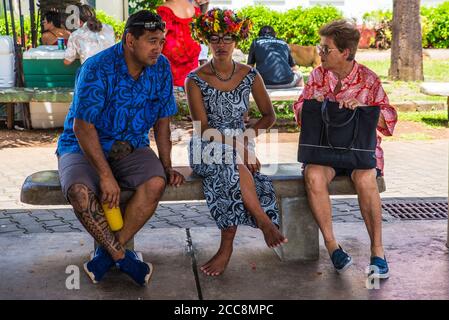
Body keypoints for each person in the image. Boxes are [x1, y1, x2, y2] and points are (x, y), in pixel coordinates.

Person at [56, 10, 185, 286]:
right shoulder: (97, 68)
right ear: (129, 40)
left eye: (161, 41)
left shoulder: (161, 67)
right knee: (79, 192)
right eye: (152, 41)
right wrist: (105, 175)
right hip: (83, 146)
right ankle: (123, 258)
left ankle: (108, 254)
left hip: (131, 145)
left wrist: (166, 165)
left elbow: (163, 120)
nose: (158, 49)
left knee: (155, 183)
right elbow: (83, 127)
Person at [293, 19, 397, 279]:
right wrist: (310, 105)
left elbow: (389, 117)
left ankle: (378, 251)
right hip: (324, 151)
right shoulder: (318, 76)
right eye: (321, 47)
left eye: (326, 49)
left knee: (365, 177)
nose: (320, 53)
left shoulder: (368, 79)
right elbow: (298, 111)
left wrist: (364, 110)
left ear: (345, 52)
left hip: (358, 151)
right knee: (313, 175)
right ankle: (332, 247)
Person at [187, 8, 288, 277]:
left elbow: (269, 116)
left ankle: (227, 246)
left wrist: (246, 140)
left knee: (229, 169)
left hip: (239, 143)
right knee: (230, 160)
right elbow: (203, 128)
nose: (221, 44)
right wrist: (240, 147)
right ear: (207, 39)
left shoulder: (250, 75)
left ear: (237, 40)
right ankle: (264, 221)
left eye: (227, 38)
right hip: (206, 144)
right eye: (215, 38)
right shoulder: (194, 79)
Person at [157, 0, 202, 90]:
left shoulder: (165, 9)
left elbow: (160, 36)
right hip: (192, 52)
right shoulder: (193, 7)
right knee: (190, 86)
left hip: (173, 58)